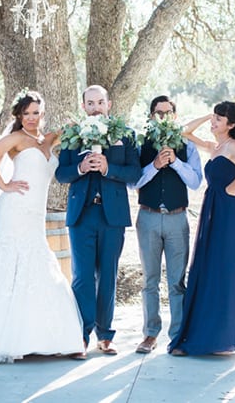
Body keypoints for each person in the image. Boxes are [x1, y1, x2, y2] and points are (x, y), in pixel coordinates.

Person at [0, 91, 84, 365]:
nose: (31, 118)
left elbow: (76, 128)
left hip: (35, 215)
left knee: (37, 265)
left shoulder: (48, 139)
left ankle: (41, 337)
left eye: (36, 113)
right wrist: (4, 186)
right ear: (18, 116)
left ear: (43, 114)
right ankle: (1, 337)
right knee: (9, 265)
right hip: (15, 209)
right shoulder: (17, 139)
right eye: (26, 113)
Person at [55, 85, 141, 356]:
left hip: (112, 217)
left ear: (109, 104)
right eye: (90, 103)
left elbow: (135, 172)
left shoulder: (125, 134)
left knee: (108, 276)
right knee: (81, 277)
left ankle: (105, 336)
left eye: (100, 102)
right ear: (84, 107)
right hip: (81, 216)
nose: (95, 107)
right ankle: (80, 335)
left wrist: (108, 168)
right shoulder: (72, 134)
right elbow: (61, 174)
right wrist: (80, 168)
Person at [168, 102, 235, 356]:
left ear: (232, 124)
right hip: (213, 210)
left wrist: (232, 189)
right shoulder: (214, 147)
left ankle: (223, 338)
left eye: (220, 119)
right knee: (209, 268)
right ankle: (204, 335)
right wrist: (209, 115)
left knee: (225, 271)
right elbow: (183, 132)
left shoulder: (234, 147)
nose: (214, 122)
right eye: (214, 117)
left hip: (230, 214)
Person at [130, 96, 203, 354]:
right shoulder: (142, 145)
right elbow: (132, 181)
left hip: (177, 218)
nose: (163, 117)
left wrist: (176, 162)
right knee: (149, 280)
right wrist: (155, 165)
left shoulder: (186, 145)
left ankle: (178, 336)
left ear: (175, 115)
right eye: (158, 113)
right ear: (151, 116)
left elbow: (195, 181)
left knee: (176, 281)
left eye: (168, 112)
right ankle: (150, 334)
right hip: (148, 217)